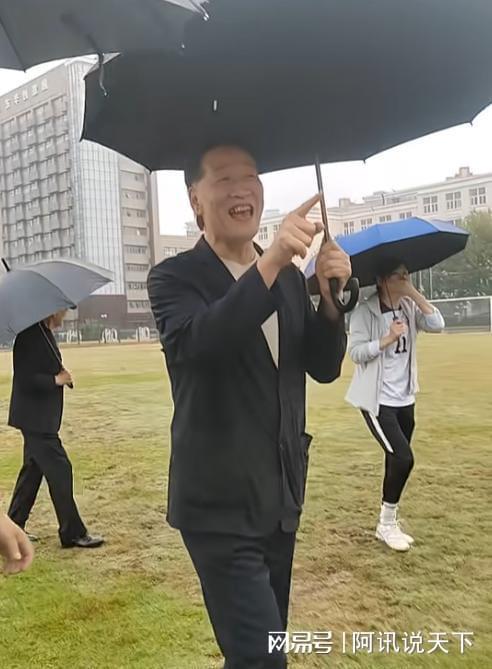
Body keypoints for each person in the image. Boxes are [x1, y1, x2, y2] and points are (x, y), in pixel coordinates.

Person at [148, 144, 351, 669]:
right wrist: (273, 260)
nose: (242, 190)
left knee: (263, 647)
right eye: (224, 180)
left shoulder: (288, 279)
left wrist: (330, 300)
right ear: (195, 199)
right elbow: (202, 343)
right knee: (263, 658)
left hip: (281, 494)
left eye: (251, 177)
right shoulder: (173, 278)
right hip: (218, 505)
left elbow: (322, 367)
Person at [346, 259, 445, 551]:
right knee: (403, 458)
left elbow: (437, 325)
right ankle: (387, 525)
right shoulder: (365, 311)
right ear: (381, 280)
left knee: (395, 460)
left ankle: (387, 522)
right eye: (397, 275)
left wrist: (413, 293)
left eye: (406, 274)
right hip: (377, 401)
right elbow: (356, 353)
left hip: (405, 397)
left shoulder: (409, 307)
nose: (404, 278)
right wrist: (386, 339)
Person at [7, 311, 104, 549]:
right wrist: (56, 380)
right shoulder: (30, 335)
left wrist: (61, 376)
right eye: (64, 311)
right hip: (35, 421)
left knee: (31, 473)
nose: (66, 315)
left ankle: (12, 529)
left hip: (40, 420)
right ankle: (72, 532)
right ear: (52, 311)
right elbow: (25, 379)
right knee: (61, 469)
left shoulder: (43, 332)